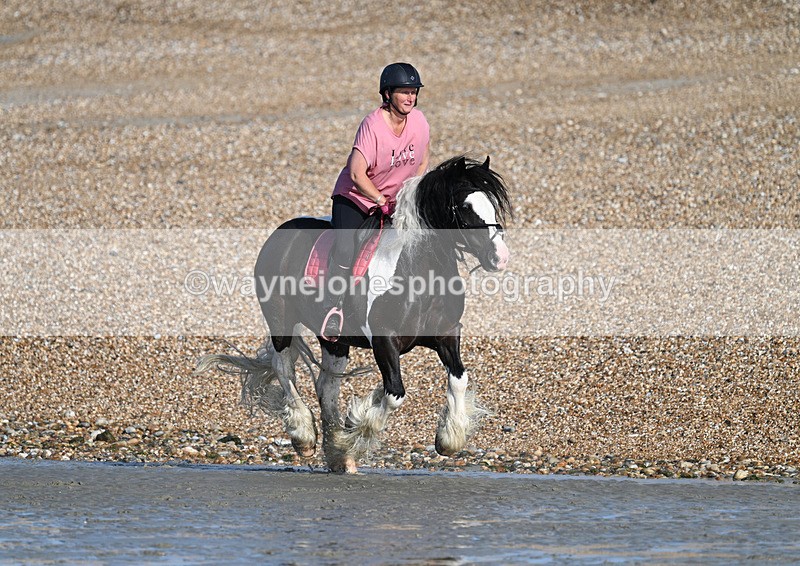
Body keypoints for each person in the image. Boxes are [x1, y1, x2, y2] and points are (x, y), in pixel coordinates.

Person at [321, 62, 431, 341]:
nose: (410, 98)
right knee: (346, 247)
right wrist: (381, 199)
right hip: (356, 199)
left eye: (413, 92)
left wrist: (410, 192)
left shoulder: (418, 121)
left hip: (395, 200)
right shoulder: (372, 126)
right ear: (387, 94)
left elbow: (424, 158)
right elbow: (357, 173)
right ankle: (334, 309)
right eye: (404, 92)